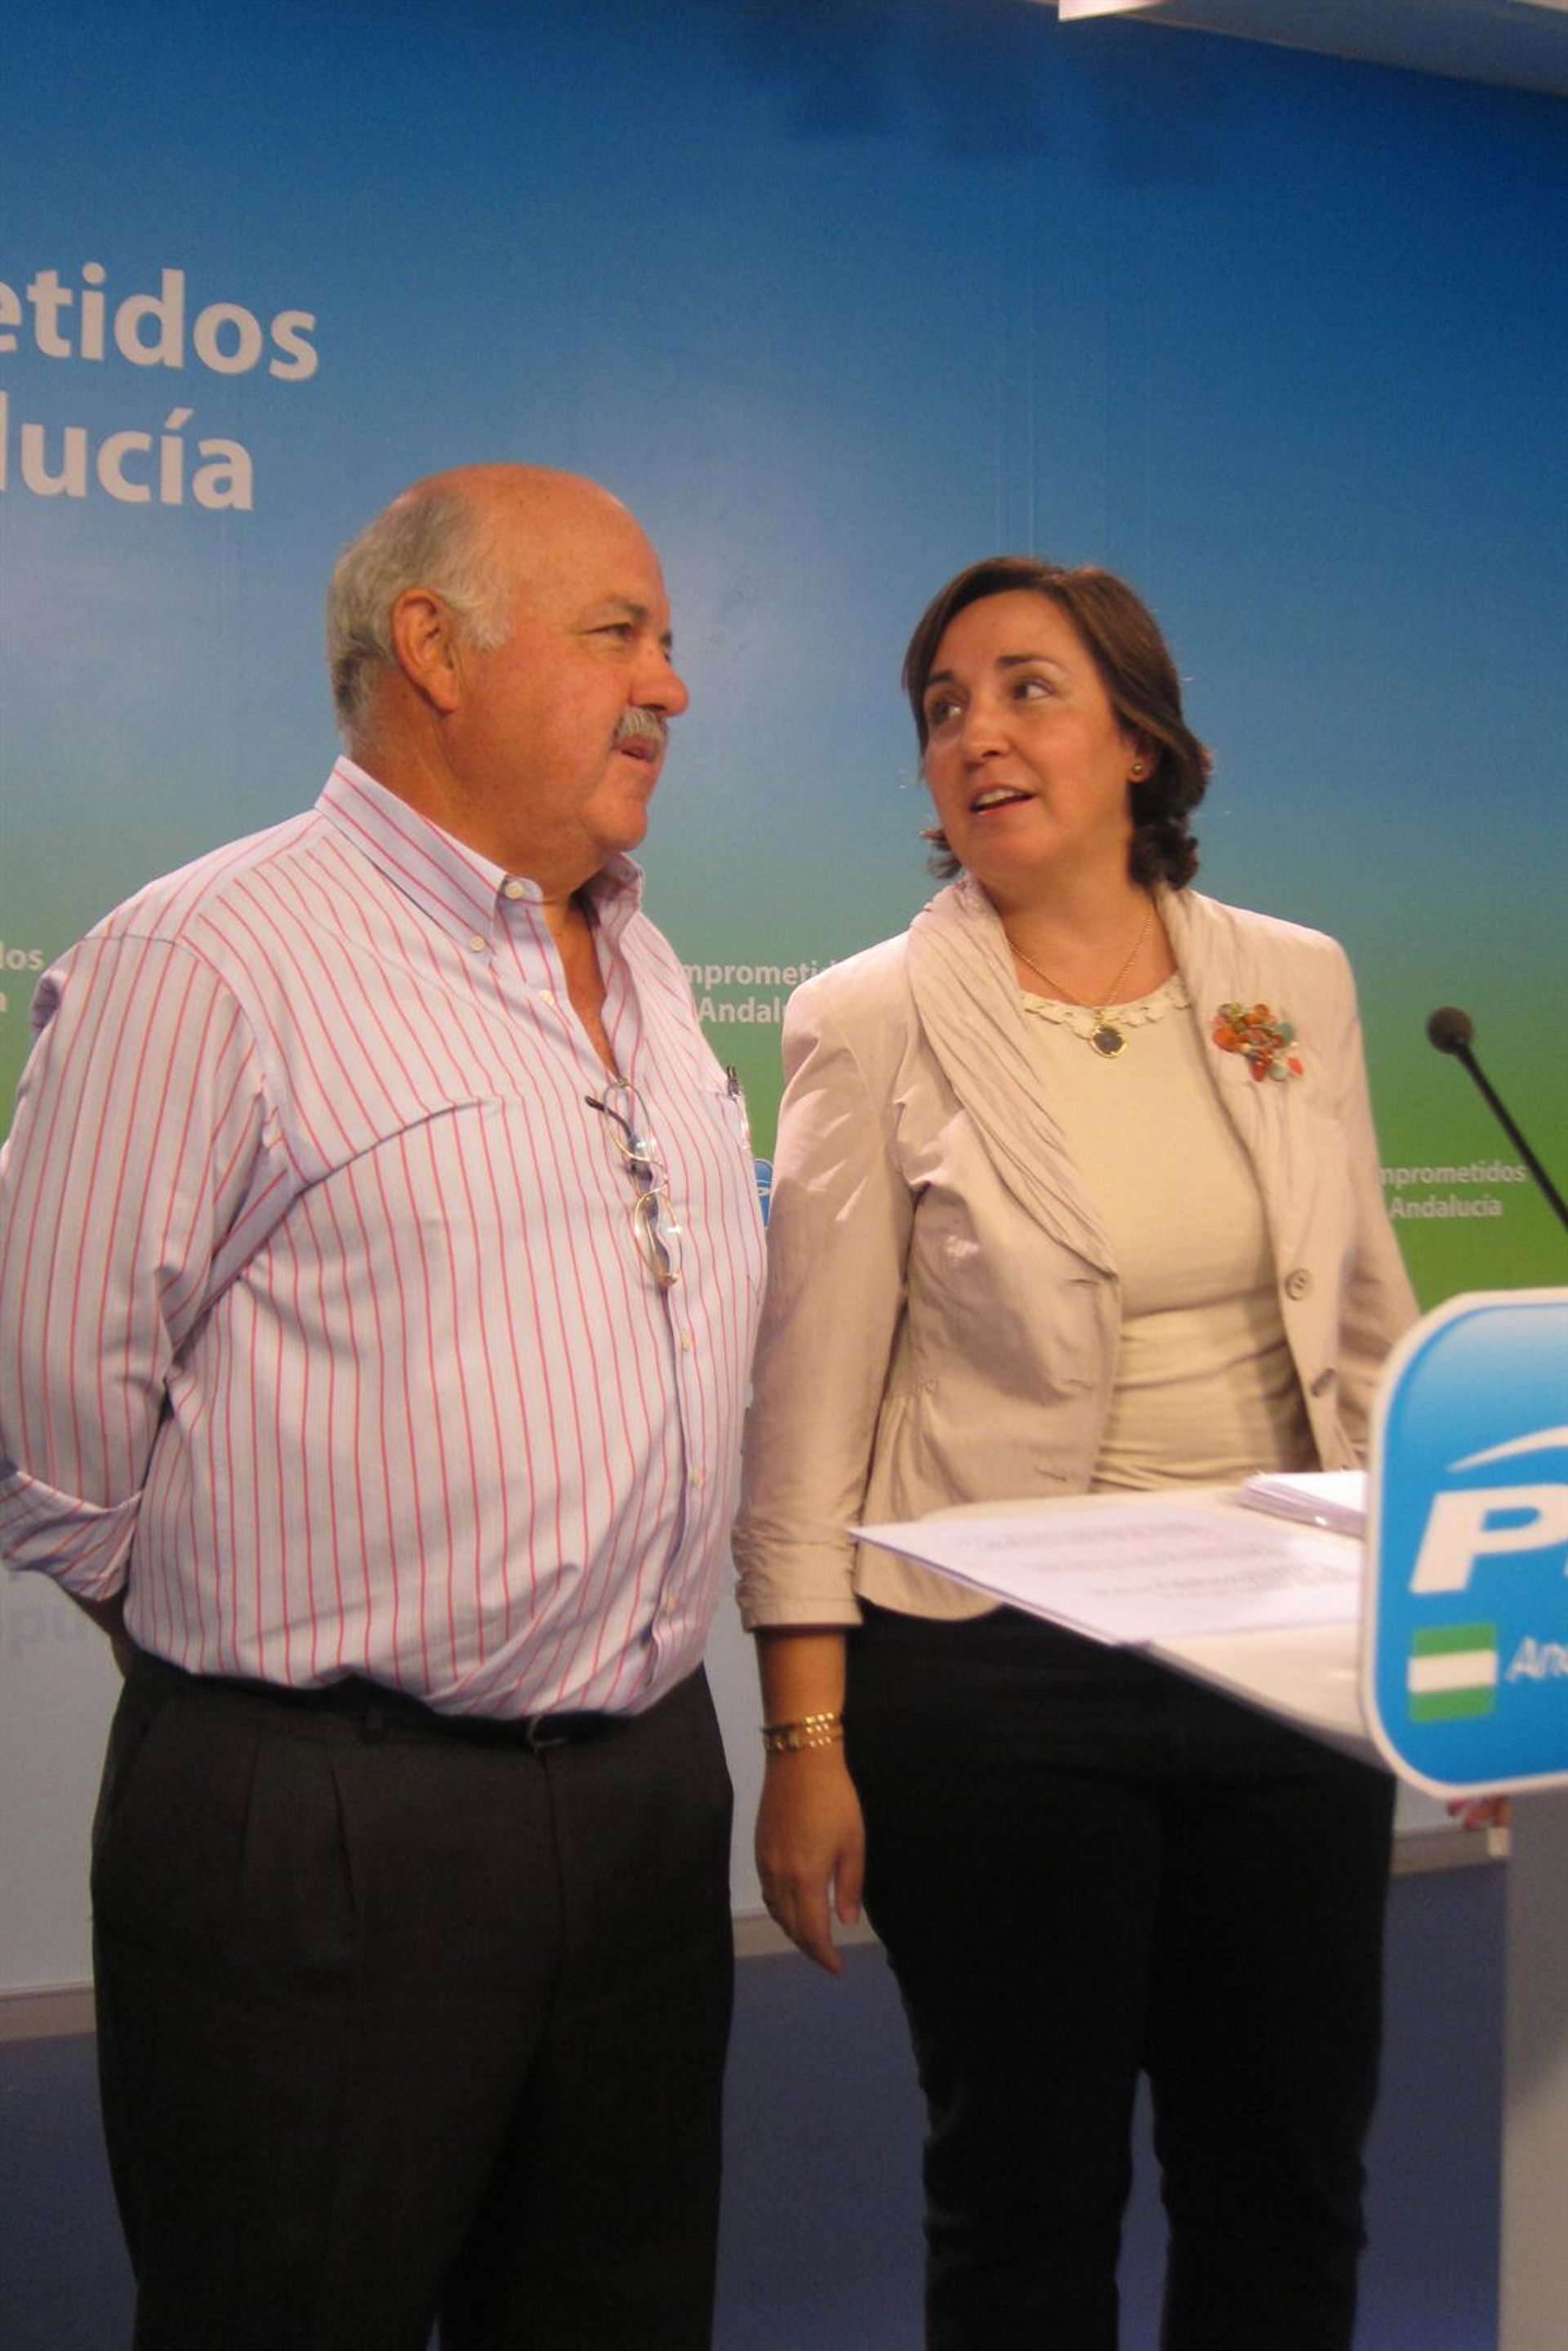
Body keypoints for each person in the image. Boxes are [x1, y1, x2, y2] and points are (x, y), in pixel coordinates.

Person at [0, 465, 764, 2351]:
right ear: (433, 646)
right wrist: (279, 1695)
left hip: (650, 1797)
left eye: (667, 639)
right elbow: (46, 1434)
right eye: (619, 633)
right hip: (322, 1833)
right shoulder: (203, 961)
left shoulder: (644, 960)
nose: (672, 683)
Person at [732, 556, 1417, 2351]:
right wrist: (806, 1742)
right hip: (995, 1684)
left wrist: (1449, 1645)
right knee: (1025, 2205)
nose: (978, 733)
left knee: (1288, 2185)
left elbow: (1366, 1331)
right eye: (942, 708)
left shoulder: (1294, 981)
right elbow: (809, 1411)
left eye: (1028, 688)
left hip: (1290, 1663)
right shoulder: (870, 1015)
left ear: (1140, 742)